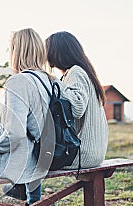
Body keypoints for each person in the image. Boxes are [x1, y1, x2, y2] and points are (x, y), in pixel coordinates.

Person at [0, 28, 55, 206]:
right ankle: (34, 203)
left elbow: (15, 134)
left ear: (16, 51)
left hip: (26, 161)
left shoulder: (18, 82)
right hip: (45, 156)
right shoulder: (50, 80)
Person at [45, 31, 108, 169]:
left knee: (32, 158)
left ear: (57, 52)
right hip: (91, 153)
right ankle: (21, 189)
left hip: (82, 154)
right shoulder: (80, 71)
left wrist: (51, 80)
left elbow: (77, 108)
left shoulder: (76, 72)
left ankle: (20, 189)